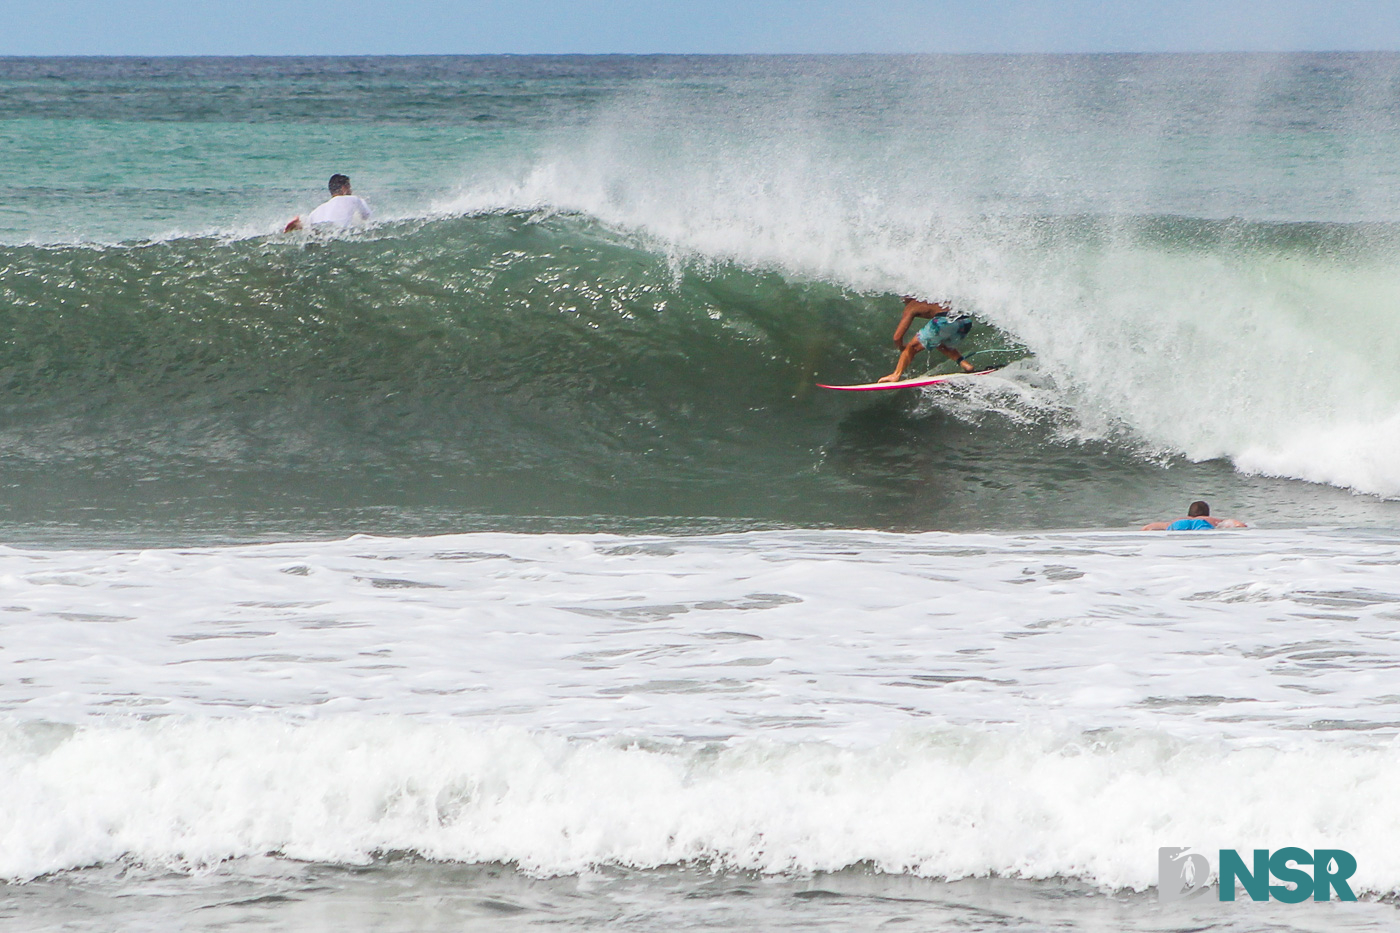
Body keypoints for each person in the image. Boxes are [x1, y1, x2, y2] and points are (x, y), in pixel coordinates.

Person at [878, 296, 977, 383]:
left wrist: (902, 348)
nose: (902, 300)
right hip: (965, 321)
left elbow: (897, 337)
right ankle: (966, 365)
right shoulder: (930, 299)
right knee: (939, 343)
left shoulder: (911, 305)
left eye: (903, 298)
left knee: (912, 347)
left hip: (945, 320)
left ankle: (896, 375)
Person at [284, 174, 372, 232]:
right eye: (350, 188)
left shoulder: (318, 210)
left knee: (311, 227)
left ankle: (300, 223)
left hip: (322, 229)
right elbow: (367, 217)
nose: (351, 191)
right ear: (344, 189)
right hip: (338, 233)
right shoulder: (353, 199)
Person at [1142, 500, 1247, 531]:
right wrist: (1242, 525)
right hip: (1201, 524)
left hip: (1179, 524)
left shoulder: (1180, 519)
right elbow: (1233, 523)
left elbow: (1149, 527)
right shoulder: (1209, 519)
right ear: (1206, 513)